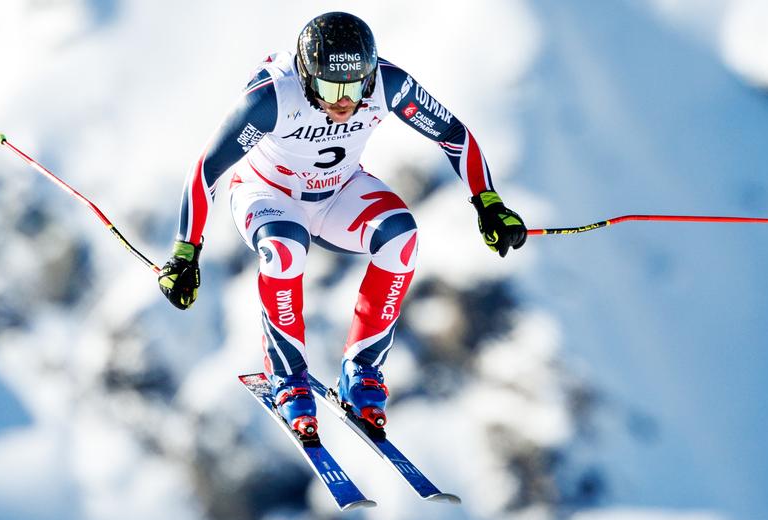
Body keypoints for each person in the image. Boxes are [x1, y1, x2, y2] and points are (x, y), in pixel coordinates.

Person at [157, 12, 526, 439]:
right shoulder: (273, 96)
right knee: (285, 250)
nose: (343, 101)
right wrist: (185, 252)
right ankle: (288, 377)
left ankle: (362, 371)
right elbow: (207, 168)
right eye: (331, 87)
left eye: (354, 87)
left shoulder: (387, 84)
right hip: (268, 194)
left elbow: (453, 134)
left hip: (337, 191)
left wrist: (488, 202)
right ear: (305, 74)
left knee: (402, 237)